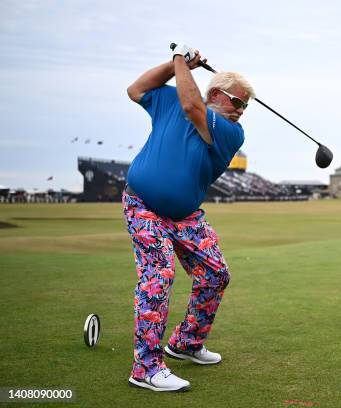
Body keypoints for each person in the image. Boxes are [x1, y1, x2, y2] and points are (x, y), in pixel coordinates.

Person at [123, 43, 255, 392]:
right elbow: (135, 90)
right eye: (237, 101)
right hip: (142, 205)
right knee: (159, 275)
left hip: (185, 215)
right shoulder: (172, 99)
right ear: (216, 93)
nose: (241, 110)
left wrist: (183, 60)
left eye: (245, 105)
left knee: (216, 274)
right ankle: (146, 367)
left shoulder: (229, 131)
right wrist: (175, 63)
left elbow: (191, 104)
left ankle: (186, 343)